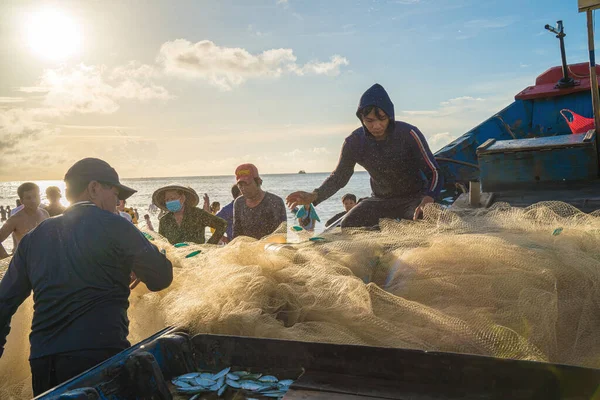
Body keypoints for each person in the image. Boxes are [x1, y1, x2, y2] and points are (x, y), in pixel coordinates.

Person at [0, 158, 173, 396]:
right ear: (93, 188)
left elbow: (3, 302)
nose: (118, 203)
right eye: (115, 194)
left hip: (43, 361)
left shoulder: (34, 237)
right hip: (99, 359)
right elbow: (161, 278)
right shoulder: (116, 226)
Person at [286, 84, 442, 228]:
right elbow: (340, 176)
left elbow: (435, 172)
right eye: (370, 120)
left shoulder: (409, 134)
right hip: (380, 200)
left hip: (414, 198)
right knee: (348, 224)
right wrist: (314, 196)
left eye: (382, 119)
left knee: (424, 219)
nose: (376, 126)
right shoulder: (354, 142)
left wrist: (428, 199)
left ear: (390, 116)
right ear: (361, 119)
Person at [153, 183, 227, 245]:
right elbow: (162, 243)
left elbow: (222, 224)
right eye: (167, 200)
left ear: (182, 198)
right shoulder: (164, 220)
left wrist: (209, 245)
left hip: (198, 258)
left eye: (172, 198)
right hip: (175, 260)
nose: (169, 201)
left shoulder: (198, 214)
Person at [232, 164, 287, 240]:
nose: (243, 188)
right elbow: (236, 234)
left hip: (270, 248)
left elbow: (282, 235)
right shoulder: (239, 203)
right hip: (247, 248)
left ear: (258, 182)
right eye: (240, 185)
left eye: (247, 184)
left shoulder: (275, 202)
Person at [0, 183, 49, 259]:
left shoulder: (45, 214)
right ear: (22, 201)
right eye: (28, 198)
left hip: (44, 258)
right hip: (25, 261)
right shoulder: (15, 219)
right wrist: (6, 259)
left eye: (36, 196)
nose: (33, 200)